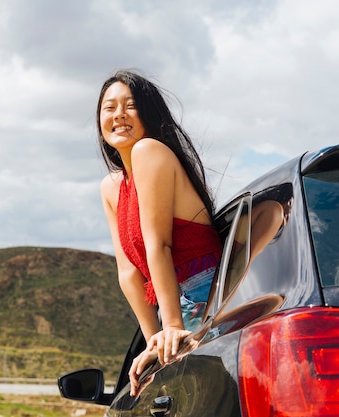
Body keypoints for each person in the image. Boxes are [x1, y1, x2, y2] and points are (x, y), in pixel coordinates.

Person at [96, 70, 222, 396]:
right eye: (109, 108)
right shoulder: (112, 187)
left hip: (204, 298)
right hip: (175, 307)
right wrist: (154, 339)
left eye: (131, 105)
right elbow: (128, 274)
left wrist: (173, 328)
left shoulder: (149, 150)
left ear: (149, 114)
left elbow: (159, 244)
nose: (119, 114)